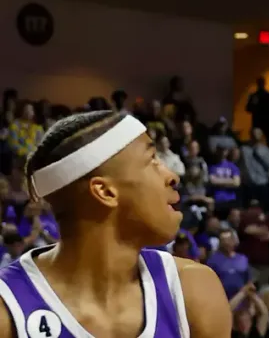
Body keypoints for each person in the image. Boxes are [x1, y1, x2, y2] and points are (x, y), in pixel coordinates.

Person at [0, 110, 231, 338]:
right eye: (152, 160)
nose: (172, 176)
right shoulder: (7, 311)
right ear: (105, 191)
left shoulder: (193, 291)